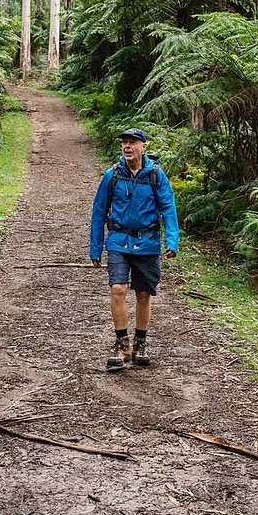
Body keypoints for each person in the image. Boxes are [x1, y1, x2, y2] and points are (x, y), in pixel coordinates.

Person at [89, 127, 179, 372]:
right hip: (118, 240)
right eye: (125, 143)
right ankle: (122, 344)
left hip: (148, 242)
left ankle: (140, 343)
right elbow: (99, 211)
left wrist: (172, 241)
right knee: (118, 288)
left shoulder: (156, 175)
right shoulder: (112, 175)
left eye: (132, 143)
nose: (127, 147)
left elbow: (168, 208)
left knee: (142, 294)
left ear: (143, 147)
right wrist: (95, 247)